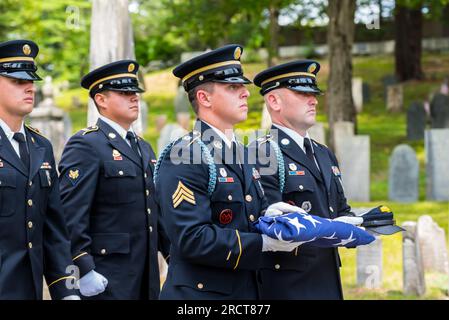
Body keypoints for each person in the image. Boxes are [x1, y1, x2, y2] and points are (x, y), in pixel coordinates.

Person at [154, 44, 302, 300]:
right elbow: (192, 237)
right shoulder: (186, 155)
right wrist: (262, 244)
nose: (245, 93)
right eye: (233, 87)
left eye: (242, 86)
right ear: (204, 98)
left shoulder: (241, 152)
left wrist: (271, 215)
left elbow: (244, 216)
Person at [58, 60, 169, 300]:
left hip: (146, 275)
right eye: (124, 92)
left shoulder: (143, 147)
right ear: (101, 99)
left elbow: (154, 210)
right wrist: (83, 268)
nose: (134, 98)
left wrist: (173, 256)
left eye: (135, 92)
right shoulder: (86, 144)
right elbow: (71, 214)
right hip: (107, 277)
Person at [249, 60, 358, 300]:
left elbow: (339, 210)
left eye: (314, 93)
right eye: (302, 93)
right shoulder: (263, 154)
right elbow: (268, 225)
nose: (314, 100)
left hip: (328, 279)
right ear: (274, 101)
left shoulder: (323, 153)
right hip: (288, 285)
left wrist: (361, 224)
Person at [0, 39, 79, 300]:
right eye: (18, 81)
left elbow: (53, 229)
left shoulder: (40, 145)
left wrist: (68, 290)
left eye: (31, 81)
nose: (29, 88)